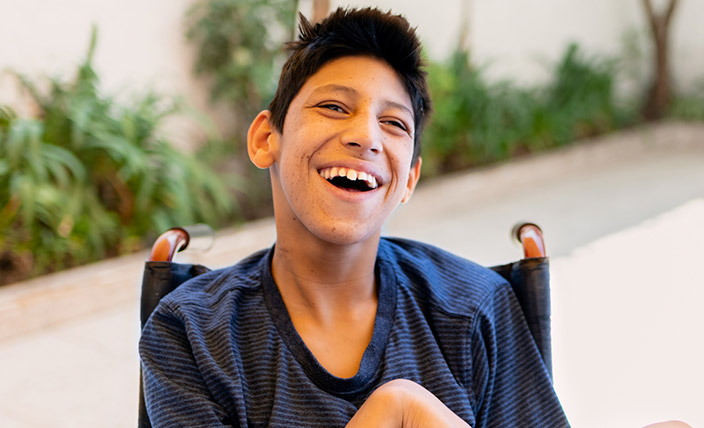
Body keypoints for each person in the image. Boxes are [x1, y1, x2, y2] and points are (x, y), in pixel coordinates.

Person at [139, 7, 570, 427]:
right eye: (334, 107)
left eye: (394, 124)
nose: (365, 136)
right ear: (265, 138)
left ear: (409, 179)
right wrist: (394, 411)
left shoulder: (476, 309)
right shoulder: (191, 333)